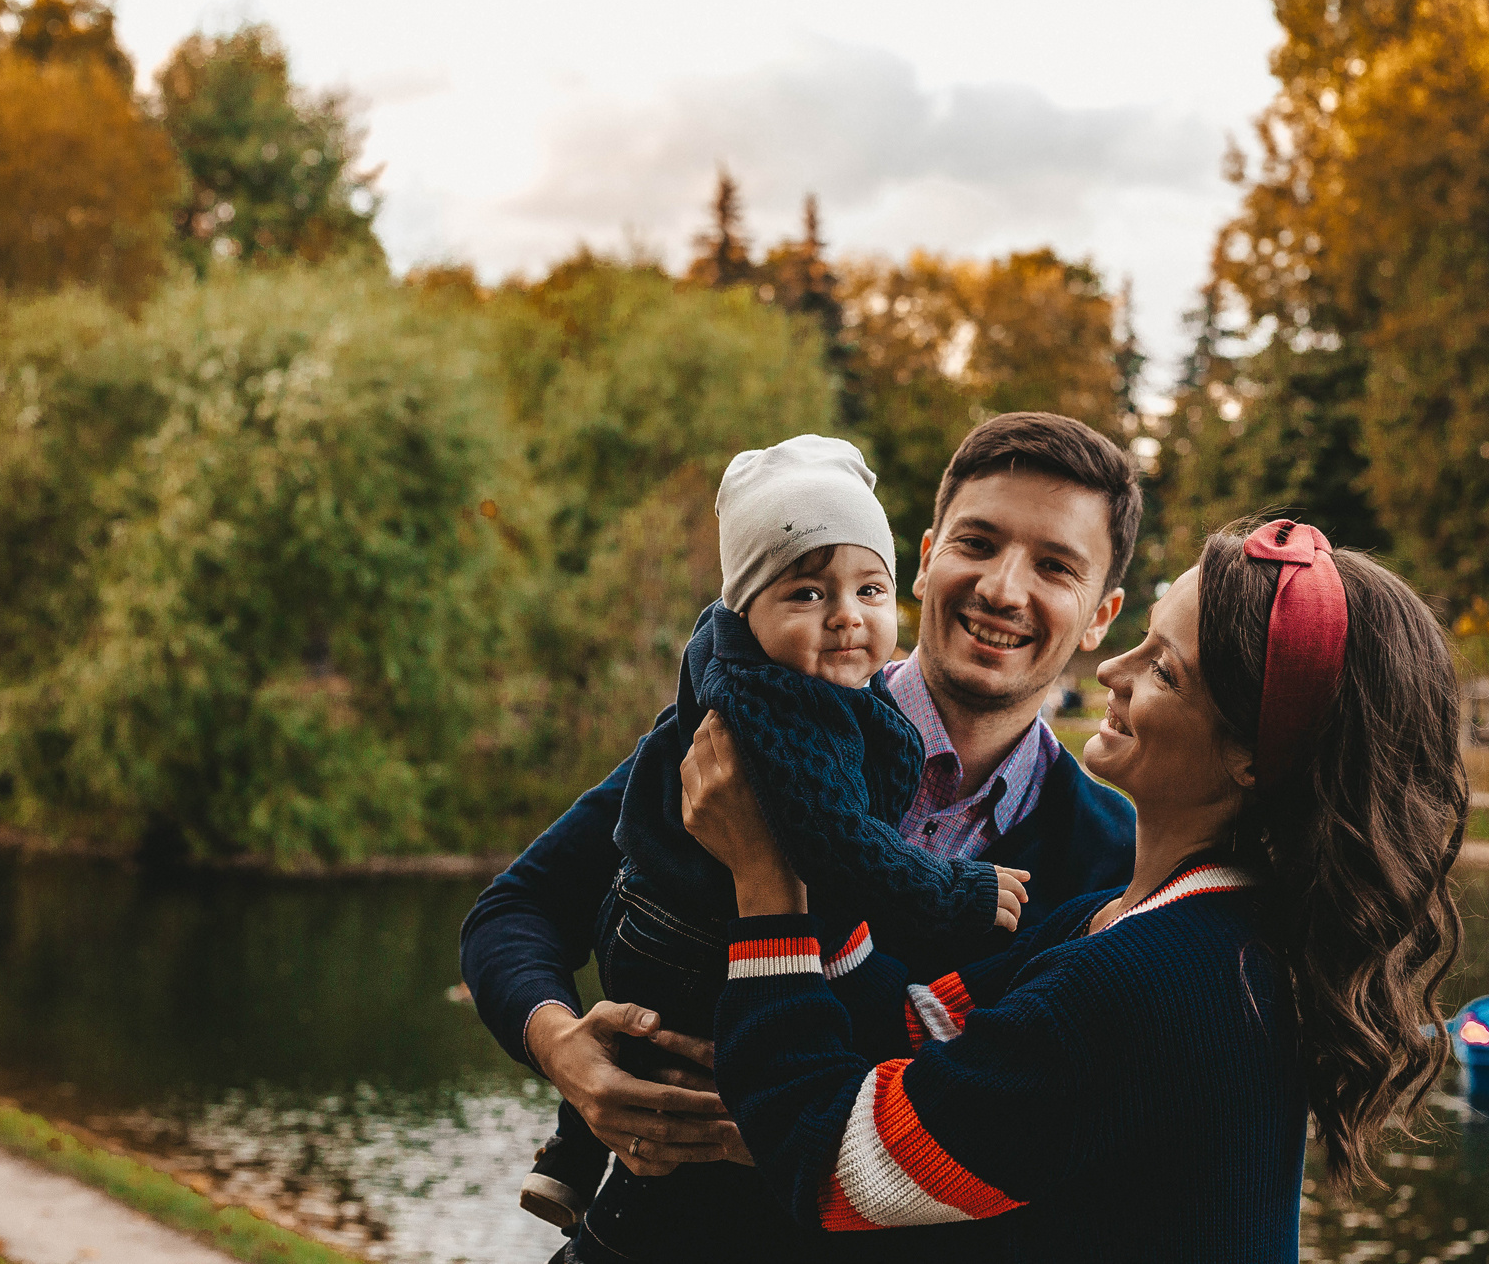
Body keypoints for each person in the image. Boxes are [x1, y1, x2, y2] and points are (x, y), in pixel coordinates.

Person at [684, 519, 1468, 1261]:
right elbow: (912, 1024)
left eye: (1163, 669)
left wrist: (766, 883)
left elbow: (826, 1162)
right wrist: (817, 833)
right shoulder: (1153, 922)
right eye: (1143, 640)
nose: (1112, 672)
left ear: (1253, 758)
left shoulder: (1147, 982)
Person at [460, 413, 1141, 1262]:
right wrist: (562, 1048)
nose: (1003, 588)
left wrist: (767, 891)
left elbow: (1029, 1127)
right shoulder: (747, 727)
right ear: (924, 559)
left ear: (1100, 616)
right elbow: (517, 908)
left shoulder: (1111, 864)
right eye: (978, 542)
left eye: (1054, 565)